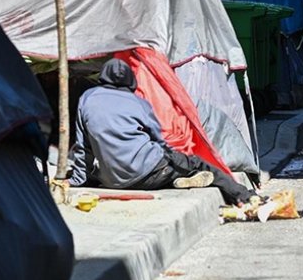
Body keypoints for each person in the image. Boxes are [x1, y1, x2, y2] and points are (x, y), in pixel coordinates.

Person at [68, 58, 256, 205]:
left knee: (104, 172)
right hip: (151, 174)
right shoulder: (138, 103)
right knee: (198, 163)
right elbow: (159, 140)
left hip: (113, 180)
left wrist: (77, 180)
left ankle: (180, 178)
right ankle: (246, 197)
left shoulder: (87, 98)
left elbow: (83, 147)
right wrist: (181, 155)